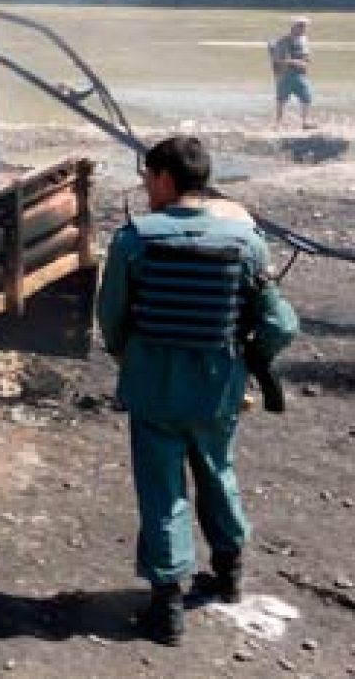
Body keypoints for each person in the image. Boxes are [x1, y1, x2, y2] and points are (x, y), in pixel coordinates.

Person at [96, 136, 298, 645]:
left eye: (147, 177)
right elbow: (279, 322)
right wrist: (251, 359)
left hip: (153, 387)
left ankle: (167, 608)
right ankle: (229, 575)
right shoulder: (246, 239)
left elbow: (112, 317)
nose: (144, 186)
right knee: (217, 470)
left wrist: (131, 358)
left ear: (165, 177)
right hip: (218, 387)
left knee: (162, 492)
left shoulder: (133, 240)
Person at [269, 16, 314, 129]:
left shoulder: (304, 40)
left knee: (306, 97)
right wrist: (292, 62)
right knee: (282, 100)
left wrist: (302, 62)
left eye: (304, 26)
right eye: (301, 26)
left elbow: (306, 58)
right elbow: (277, 60)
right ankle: (278, 124)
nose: (303, 29)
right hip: (286, 75)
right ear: (294, 27)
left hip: (300, 74)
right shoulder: (283, 41)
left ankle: (305, 122)